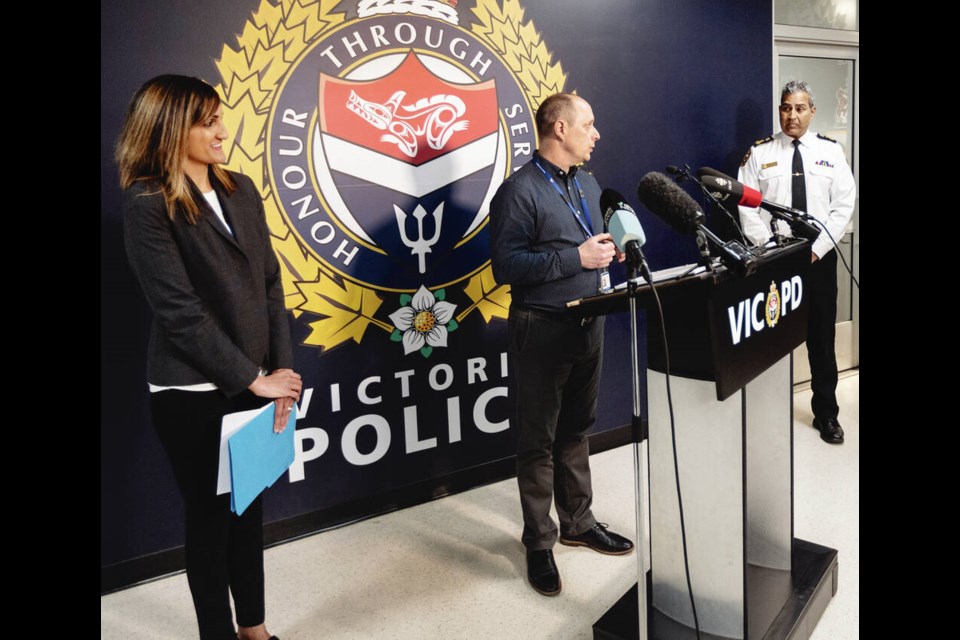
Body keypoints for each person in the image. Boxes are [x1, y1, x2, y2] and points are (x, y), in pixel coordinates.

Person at [117, 75, 302, 640]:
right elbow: (180, 313)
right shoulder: (148, 202)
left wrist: (282, 376)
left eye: (220, 118)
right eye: (208, 121)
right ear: (172, 129)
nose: (223, 131)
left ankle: (255, 631)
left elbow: (271, 284)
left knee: (248, 513)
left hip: (258, 384)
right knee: (212, 522)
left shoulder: (241, 188)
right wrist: (253, 378)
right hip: (192, 393)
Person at [489, 93, 634, 597]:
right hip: (542, 327)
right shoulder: (518, 192)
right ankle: (539, 542)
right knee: (537, 441)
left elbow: (587, 245)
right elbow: (506, 267)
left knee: (576, 428)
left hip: (587, 325)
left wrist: (603, 255)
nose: (596, 134)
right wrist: (577, 259)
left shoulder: (588, 184)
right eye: (588, 125)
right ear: (558, 128)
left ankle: (577, 522)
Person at [737, 80, 856, 444]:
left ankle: (827, 415)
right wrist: (771, 250)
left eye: (800, 108)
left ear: (812, 111)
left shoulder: (831, 152)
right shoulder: (760, 153)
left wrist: (817, 248)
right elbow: (747, 206)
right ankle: (766, 415)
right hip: (776, 261)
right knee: (769, 340)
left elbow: (844, 206)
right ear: (780, 110)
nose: (792, 115)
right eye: (786, 108)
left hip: (819, 259)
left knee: (821, 339)